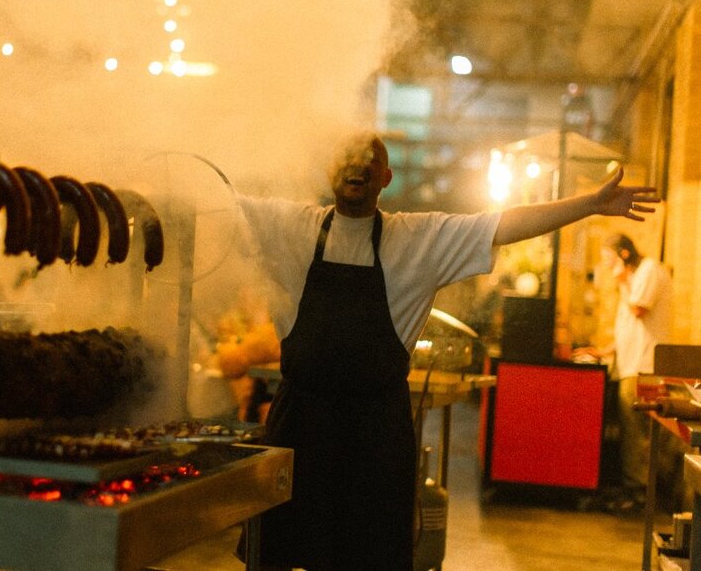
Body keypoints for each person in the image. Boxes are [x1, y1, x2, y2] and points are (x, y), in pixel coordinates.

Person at [235, 133, 659, 570]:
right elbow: (214, 203)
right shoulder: (291, 226)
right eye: (348, 156)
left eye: (370, 159)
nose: (357, 165)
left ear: (386, 176)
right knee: (275, 557)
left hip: (375, 441)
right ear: (330, 170)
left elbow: (504, 224)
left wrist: (588, 204)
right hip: (299, 431)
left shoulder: (418, 238)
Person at [578, 234, 674, 511]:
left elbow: (640, 309)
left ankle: (639, 492)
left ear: (623, 254)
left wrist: (622, 281)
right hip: (630, 362)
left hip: (643, 365)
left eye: (610, 260)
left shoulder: (649, 270)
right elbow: (630, 324)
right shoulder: (636, 278)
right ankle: (633, 488)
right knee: (630, 429)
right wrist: (607, 350)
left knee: (636, 432)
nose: (609, 268)